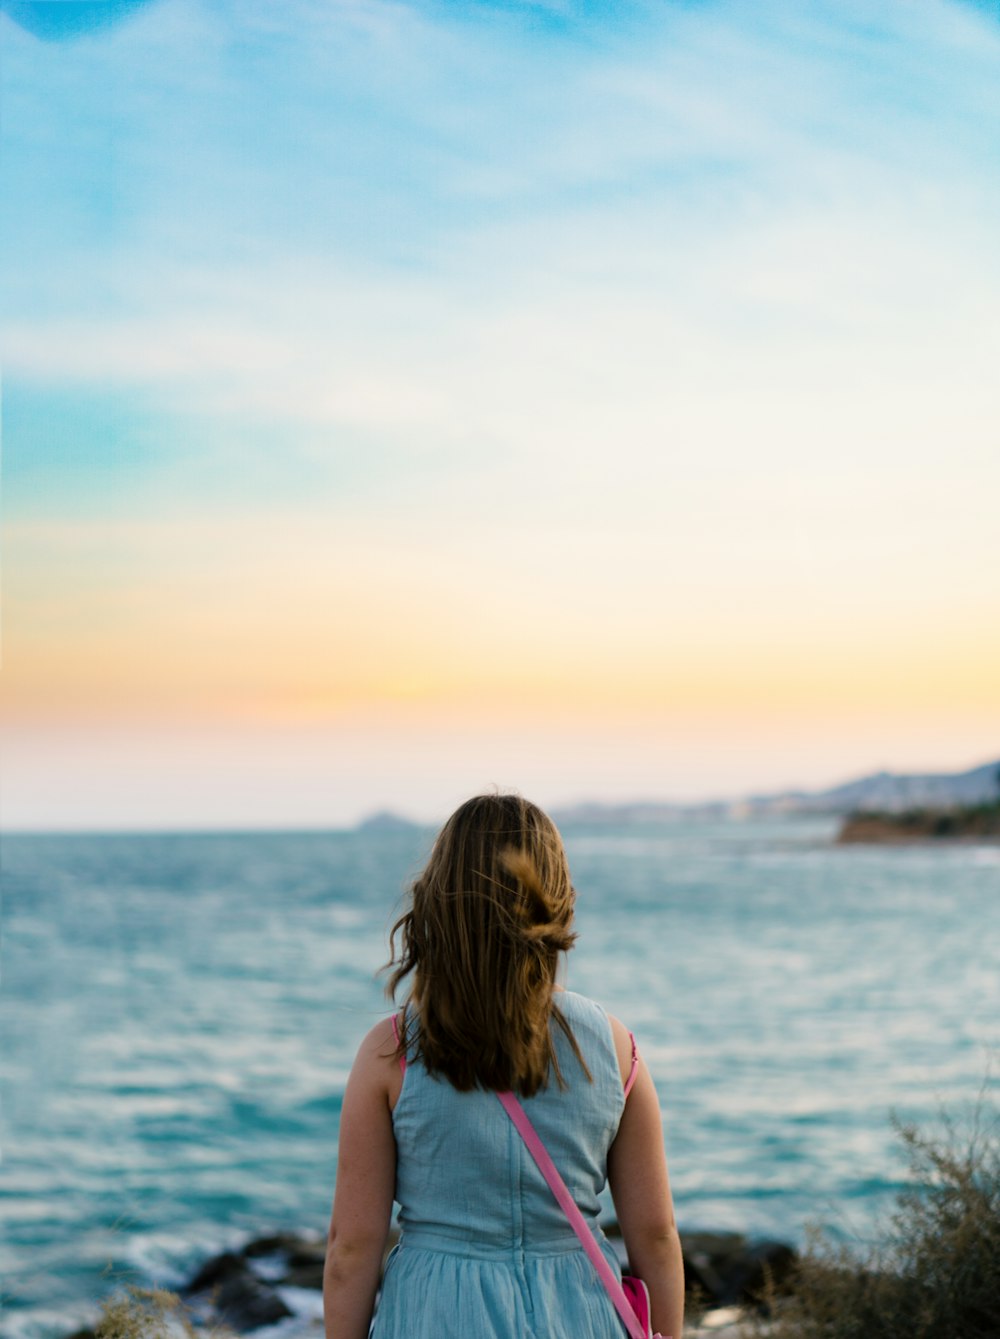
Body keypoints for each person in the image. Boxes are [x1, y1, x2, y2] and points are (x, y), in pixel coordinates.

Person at [323, 793, 685, 1339]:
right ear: (556, 898)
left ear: (440, 900)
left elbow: (351, 1248)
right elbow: (655, 1235)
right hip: (579, 1312)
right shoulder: (613, 1046)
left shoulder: (391, 1051)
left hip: (436, 1313)